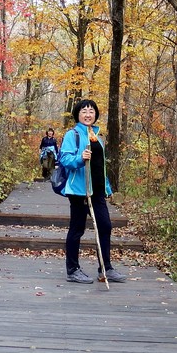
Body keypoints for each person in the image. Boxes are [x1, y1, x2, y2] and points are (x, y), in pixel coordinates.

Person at [58, 99, 126, 284]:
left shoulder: (97, 136)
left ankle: (105, 268)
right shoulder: (73, 135)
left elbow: (100, 166)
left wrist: (107, 188)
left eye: (91, 111)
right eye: (84, 111)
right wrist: (80, 158)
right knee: (77, 229)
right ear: (77, 115)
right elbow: (64, 159)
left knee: (105, 226)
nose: (88, 114)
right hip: (79, 191)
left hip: (97, 190)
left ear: (95, 114)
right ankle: (72, 270)